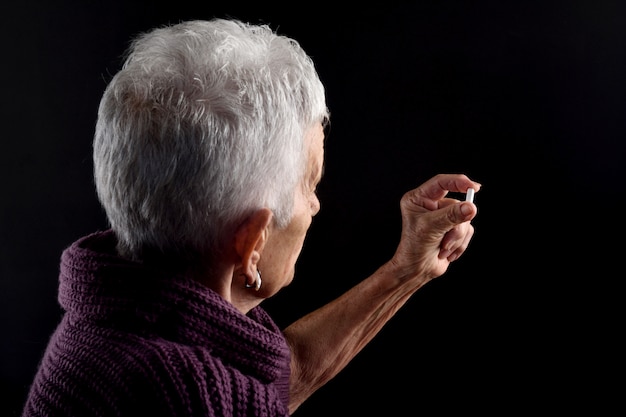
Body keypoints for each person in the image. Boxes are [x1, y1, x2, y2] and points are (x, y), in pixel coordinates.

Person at [21, 18, 481, 417]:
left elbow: (279, 376)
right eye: (310, 184)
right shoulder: (183, 394)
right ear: (252, 242)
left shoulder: (121, 322)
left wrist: (408, 269)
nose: (316, 205)